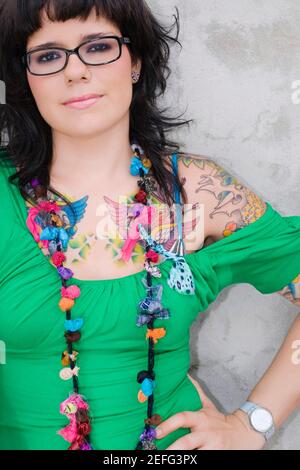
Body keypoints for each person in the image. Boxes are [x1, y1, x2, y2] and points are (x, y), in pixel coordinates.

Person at [0, 0, 299, 451]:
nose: (75, 71)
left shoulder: (196, 191)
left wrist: (252, 424)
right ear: (26, 79)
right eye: (47, 55)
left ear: (135, 60)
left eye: (97, 47)